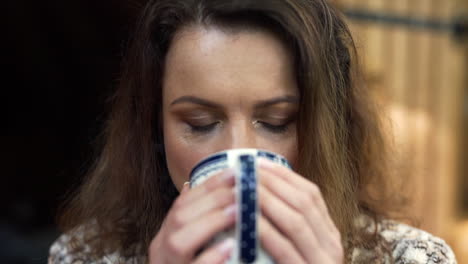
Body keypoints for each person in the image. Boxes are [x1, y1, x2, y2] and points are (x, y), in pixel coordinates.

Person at [48, 0, 457, 263]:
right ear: (154, 128)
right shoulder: (86, 256)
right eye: (200, 124)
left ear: (326, 128)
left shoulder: (413, 258)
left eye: (277, 122)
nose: (239, 152)